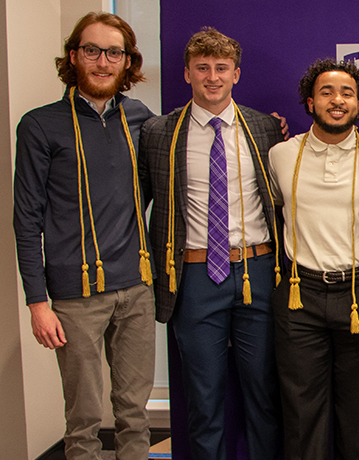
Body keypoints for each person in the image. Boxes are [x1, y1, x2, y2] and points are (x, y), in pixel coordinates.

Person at [13, 12, 156, 459]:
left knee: (135, 414)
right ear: (74, 56)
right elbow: (26, 219)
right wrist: (38, 302)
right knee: (84, 420)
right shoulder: (39, 126)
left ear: (127, 62)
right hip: (75, 296)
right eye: (92, 50)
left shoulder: (141, 119)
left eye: (114, 52)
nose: (102, 61)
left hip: (137, 288)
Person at [138, 27, 284, 459]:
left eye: (222, 68)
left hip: (257, 272)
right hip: (194, 275)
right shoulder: (158, 132)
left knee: (264, 392)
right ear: (187, 73)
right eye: (203, 68)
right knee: (202, 399)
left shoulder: (264, 128)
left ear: (236, 74)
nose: (213, 77)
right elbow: (138, 202)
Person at [267, 58, 359, 460]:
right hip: (300, 295)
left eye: (347, 93)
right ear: (309, 101)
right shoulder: (281, 154)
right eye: (327, 92)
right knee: (301, 415)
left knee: (357, 415)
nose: (337, 100)